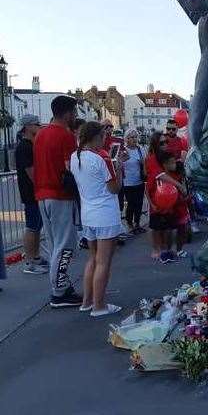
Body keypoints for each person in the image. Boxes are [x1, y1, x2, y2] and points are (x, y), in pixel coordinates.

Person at [70, 121, 125, 317]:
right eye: (103, 136)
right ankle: (99, 305)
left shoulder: (74, 158)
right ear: (95, 138)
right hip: (105, 214)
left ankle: (87, 301)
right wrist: (118, 168)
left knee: (92, 259)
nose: (105, 139)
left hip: (88, 214)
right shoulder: (101, 160)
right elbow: (114, 188)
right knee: (104, 262)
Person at [33, 95, 82, 307]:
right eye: (74, 112)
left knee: (55, 244)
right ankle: (59, 291)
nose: (76, 116)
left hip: (43, 194)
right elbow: (70, 166)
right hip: (60, 195)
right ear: (67, 113)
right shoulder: (65, 135)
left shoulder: (40, 134)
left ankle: (60, 285)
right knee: (65, 244)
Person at [15, 114, 49, 274]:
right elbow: (32, 173)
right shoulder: (24, 147)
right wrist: (43, 187)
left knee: (37, 226)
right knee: (32, 227)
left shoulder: (31, 145)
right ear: (27, 126)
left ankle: (35, 256)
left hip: (36, 193)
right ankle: (30, 261)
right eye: (36, 124)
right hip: (31, 193)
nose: (39, 127)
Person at [145, 133, 188, 259]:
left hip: (168, 196)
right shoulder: (152, 158)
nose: (165, 145)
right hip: (156, 195)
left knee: (166, 225)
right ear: (155, 144)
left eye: (166, 142)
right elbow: (160, 175)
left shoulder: (165, 156)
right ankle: (156, 249)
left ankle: (165, 249)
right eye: (161, 143)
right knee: (155, 226)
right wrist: (179, 186)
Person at [122, 128, 147, 234]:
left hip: (139, 181)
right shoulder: (123, 150)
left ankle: (137, 223)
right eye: (131, 137)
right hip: (127, 182)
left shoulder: (140, 149)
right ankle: (129, 223)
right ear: (126, 139)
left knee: (139, 203)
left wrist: (144, 166)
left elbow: (145, 164)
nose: (134, 139)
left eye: (135, 137)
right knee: (131, 203)